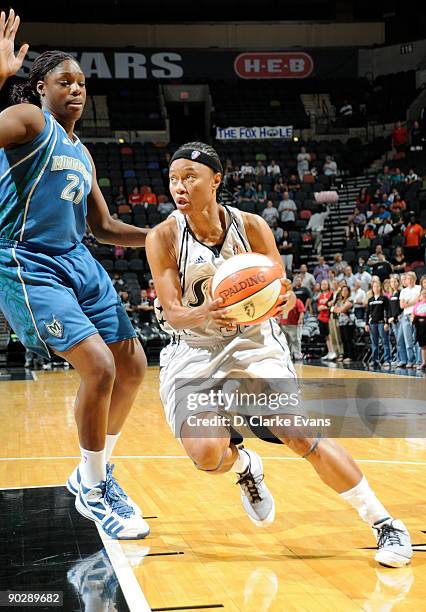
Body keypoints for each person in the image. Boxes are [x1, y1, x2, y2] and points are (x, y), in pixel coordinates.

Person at [145, 139, 412, 568]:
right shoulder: (161, 237)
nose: (179, 187)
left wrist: (280, 301)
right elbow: (173, 313)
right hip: (192, 350)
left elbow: (281, 290)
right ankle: (244, 467)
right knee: (208, 454)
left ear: (216, 180)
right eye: (174, 179)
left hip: (253, 342)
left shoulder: (251, 227)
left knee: (297, 431)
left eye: (190, 178)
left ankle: (384, 522)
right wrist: (209, 310)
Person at [0, 18, 149, 539]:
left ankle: (96, 471)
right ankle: (91, 487)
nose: (77, 90)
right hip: (27, 261)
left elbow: (105, 227)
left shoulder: (81, 151)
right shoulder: (27, 121)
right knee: (100, 367)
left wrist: (161, 235)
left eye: (83, 84)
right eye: (66, 82)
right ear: (41, 87)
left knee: (132, 364)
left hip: (77, 259)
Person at [366, 280, 391, 368]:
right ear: (372, 288)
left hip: (381, 323)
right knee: (374, 343)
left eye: (378, 286)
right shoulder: (370, 300)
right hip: (373, 324)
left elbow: (388, 311)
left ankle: (387, 360)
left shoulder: (384, 298)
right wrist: (366, 324)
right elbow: (367, 312)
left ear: (380, 287)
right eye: (374, 286)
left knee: (385, 342)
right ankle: (375, 360)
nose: (376, 288)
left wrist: (386, 322)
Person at [399, 272, 421, 368]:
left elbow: (419, 301)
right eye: (408, 278)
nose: (410, 280)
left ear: (415, 279)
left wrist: (408, 302)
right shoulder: (403, 291)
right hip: (406, 317)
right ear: (406, 280)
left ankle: (418, 361)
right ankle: (410, 361)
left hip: (416, 315)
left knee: (417, 340)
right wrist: (413, 301)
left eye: (411, 278)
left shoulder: (419, 288)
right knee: (408, 341)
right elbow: (402, 305)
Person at [333, 286, 355, 363]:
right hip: (341, 322)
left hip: (349, 323)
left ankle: (350, 356)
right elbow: (334, 309)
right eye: (343, 290)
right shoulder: (340, 301)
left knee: (348, 339)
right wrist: (340, 309)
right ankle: (345, 355)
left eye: (346, 290)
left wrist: (340, 309)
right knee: (343, 340)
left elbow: (341, 309)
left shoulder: (350, 300)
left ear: (349, 292)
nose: (344, 292)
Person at [387, 274, 405, 367]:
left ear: (398, 282)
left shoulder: (400, 292)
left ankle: (403, 359)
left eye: (395, 281)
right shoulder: (391, 294)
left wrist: (394, 317)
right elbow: (390, 308)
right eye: (391, 282)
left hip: (398, 319)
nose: (393, 283)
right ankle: (399, 359)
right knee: (398, 341)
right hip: (393, 321)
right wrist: (389, 318)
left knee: (400, 340)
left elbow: (399, 308)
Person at [412, 287, 426, 371]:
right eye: (423, 293)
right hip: (419, 326)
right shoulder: (417, 304)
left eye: (425, 293)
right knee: (423, 345)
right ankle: (424, 363)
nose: (424, 295)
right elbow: (413, 314)